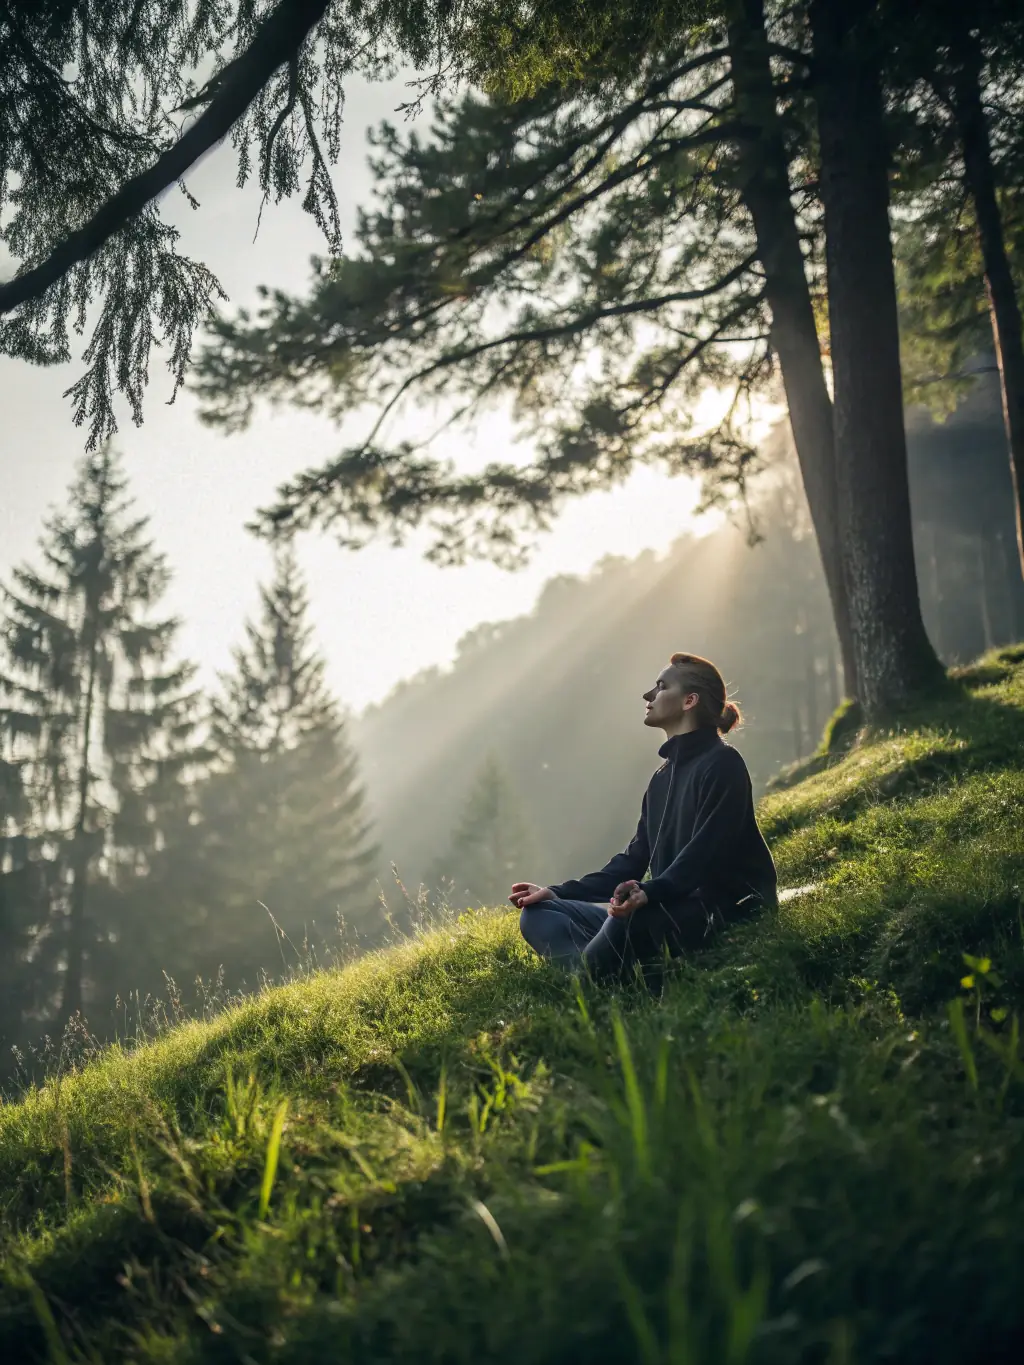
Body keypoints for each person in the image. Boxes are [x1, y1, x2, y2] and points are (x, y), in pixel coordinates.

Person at [511, 652, 777, 988]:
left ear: (689, 701)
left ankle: (592, 974)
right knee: (538, 914)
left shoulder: (723, 764)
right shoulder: (661, 779)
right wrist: (556, 893)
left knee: (627, 921)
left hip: (725, 910)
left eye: (661, 687)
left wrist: (649, 893)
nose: (648, 696)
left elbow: (704, 855)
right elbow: (632, 861)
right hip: (667, 905)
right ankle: (605, 966)